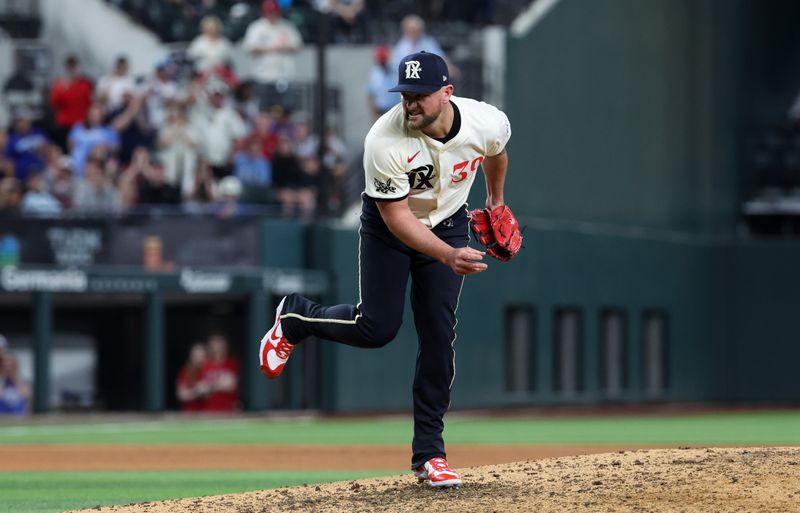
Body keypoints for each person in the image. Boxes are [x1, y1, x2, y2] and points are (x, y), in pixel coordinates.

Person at [258, 51, 512, 488]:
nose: (410, 104)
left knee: (438, 333)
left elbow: (496, 152)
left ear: (447, 93)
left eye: (420, 96)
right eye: (405, 95)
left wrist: (495, 200)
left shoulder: (485, 121)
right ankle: (296, 318)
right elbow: (398, 219)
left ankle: (430, 455)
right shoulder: (384, 140)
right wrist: (449, 257)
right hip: (389, 228)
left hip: (449, 222)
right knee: (377, 328)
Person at [242, 0, 303, 112]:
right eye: (269, 12)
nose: (272, 15)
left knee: (285, 112)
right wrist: (271, 48)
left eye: (274, 12)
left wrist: (282, 48)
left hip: (285, 76)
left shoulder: (286, 27)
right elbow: (250, 48)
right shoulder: (257, 28)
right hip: (263, 77)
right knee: (264, 111)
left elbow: (297, 46)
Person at [48, 55, 94, 151]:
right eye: (69, 66)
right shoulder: (60, 84)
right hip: (64, 124)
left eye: (74, 66)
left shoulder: (85, 84)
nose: (72, 69)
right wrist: (64, 87)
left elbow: (89, 103)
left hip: (80, 124)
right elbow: (54, 102)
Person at [200, 334, 239, 412]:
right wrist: (220, 384)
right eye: (214, 345)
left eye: (219, 344)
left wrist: (210, 386)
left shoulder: (231, 362)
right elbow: (201, 389)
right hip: (209, 409)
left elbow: (231, 385)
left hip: (228, 409)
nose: (217, 348)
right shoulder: (205, 364)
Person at [366, 45, 400, 119]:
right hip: (381, 110)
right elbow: (370, 95)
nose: (383, 63)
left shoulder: (395, 71)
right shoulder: (373, 73)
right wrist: (373, 114)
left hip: (395, 109)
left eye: (384, 60)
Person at [176, 342, 210, 412]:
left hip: (208, 413)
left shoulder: (210, 370)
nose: (199, 359)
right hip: (189, 413)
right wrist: (197, 391)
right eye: (196, 356)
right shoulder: (185, 371)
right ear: (191, 357)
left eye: (202, 356)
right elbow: (181, 395)